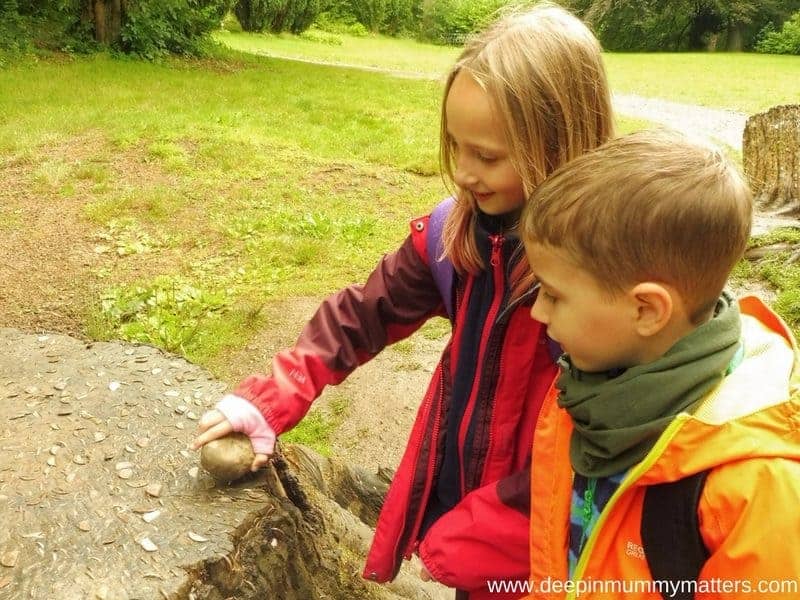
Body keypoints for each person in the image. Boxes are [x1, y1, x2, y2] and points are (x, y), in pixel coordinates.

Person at [192, 4, 614, 597]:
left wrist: (487, 527)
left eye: (487, 156)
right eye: (455, 145)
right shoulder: (456, 234)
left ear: (561, 143)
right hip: (471, 523)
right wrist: (276, 395)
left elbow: (610, 444)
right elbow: (365, 311)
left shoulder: (604, 277)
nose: (463, 172)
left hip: (557, 548)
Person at [520, 129, 800, 599]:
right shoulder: (598, 391)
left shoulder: (758, 490)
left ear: (646, 310)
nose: (537, 313)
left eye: (553, 295)